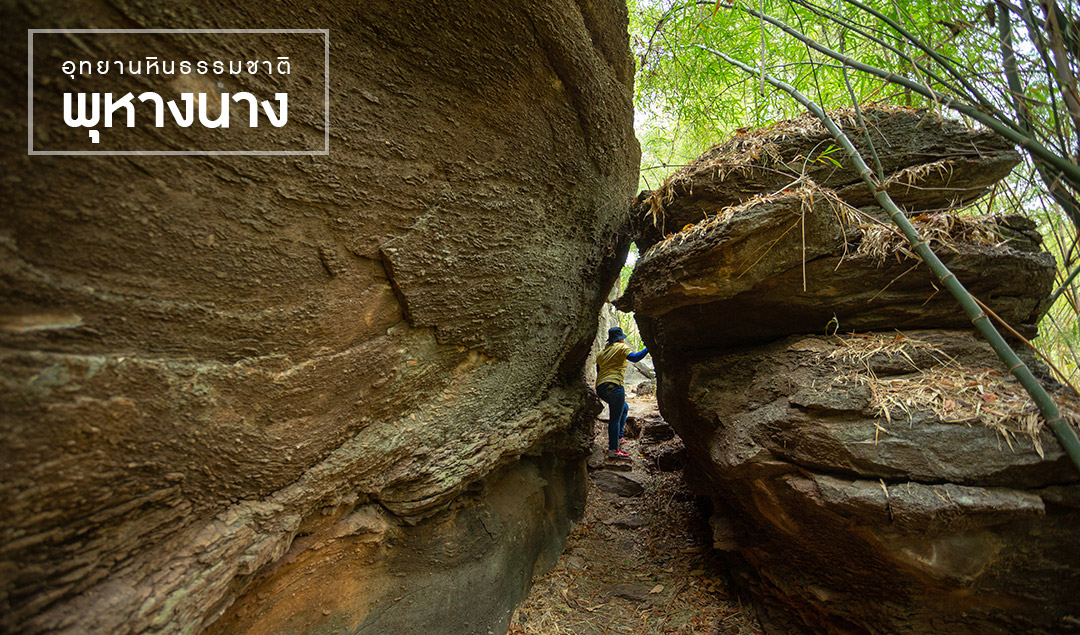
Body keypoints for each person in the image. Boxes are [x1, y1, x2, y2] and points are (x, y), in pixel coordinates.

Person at [595, 327, 649, 459]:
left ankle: (618, 437)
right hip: (615, 386)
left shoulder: (601, 353)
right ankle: (613, 449)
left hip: (601, 387)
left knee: (624, 408)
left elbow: (599, 370)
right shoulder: (621, 347)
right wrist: (648, 348)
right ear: (620, 338)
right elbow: (635, 358)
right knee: (615, 418)